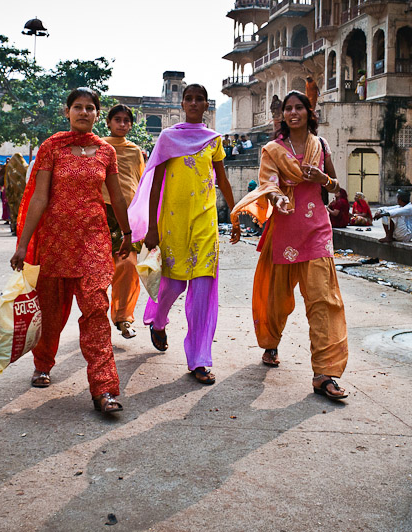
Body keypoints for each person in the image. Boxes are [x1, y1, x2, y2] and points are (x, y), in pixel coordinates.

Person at [10, 87, 131, 413]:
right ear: (67, 112)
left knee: (95, 312)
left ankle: (104, 389)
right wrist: (23, 244)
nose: (83, 112)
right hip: (55, 242)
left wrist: (128, 233)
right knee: (51, 311)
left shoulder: (106, 152)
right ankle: (44, 363)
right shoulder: (52, 147)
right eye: (77, 107)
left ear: (96, 113)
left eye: (90, 108)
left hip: (93, 241)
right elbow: (39, 197)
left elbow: (116, 197)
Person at [231, 90, 349, 400]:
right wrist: (278, 196)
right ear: (283, 114)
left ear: (311, 113)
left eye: (299, 107)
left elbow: (336, 187)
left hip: (317, 229)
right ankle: (271, 342)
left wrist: (323, 178)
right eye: (288, 108)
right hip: (283, 228)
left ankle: (326, 373)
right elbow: (268, 183)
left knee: (325, 300)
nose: (293, 112)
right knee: (276, 297)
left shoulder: (321, 146)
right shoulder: (272, 149)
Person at [129, 83, 240, 386]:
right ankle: (159, 320)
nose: (193, 103)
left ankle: (200, 359)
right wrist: (151, 227)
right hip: (172, 222)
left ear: (206, 106)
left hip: (205, 223)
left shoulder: (214, 140)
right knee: (173, 284)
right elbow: (155, 185)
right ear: (182, 104)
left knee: (203, 289)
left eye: (199, 99)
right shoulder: (168, 138)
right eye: (188, 99)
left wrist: (234, 213)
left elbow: (223, 180)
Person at [102, 104, 146, 339]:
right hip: (101, 212)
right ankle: (97, 319)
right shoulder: (97, 146)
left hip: (128, 216)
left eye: (126, 121)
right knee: (99, 269)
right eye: (117, 120)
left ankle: (123, 318)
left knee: (127, 265)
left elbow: (140, 181)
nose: (122, 124)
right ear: (108, 122)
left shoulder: (134, 150)